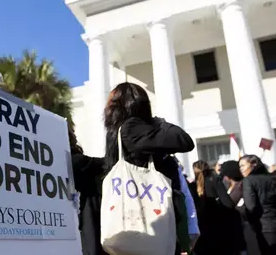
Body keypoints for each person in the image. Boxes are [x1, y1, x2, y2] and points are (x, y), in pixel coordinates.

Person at [103, 82, 196, 254]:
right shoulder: (132, 128)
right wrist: (159, 121)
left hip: (135, 221)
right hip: (150, 222)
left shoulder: (122, 130)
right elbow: (183, 139)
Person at [68, 125, 107, 255]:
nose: (76, 135)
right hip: (88, 213)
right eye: (72, 132)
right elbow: (105, 163)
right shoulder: (77, 160)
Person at [240, 155, 276, 255]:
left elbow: (251, 207)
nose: (241, 169)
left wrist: (251, 222)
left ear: (253, 164)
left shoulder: (248, 181)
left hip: (264, 228)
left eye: (243, 165)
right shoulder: (272, 177)